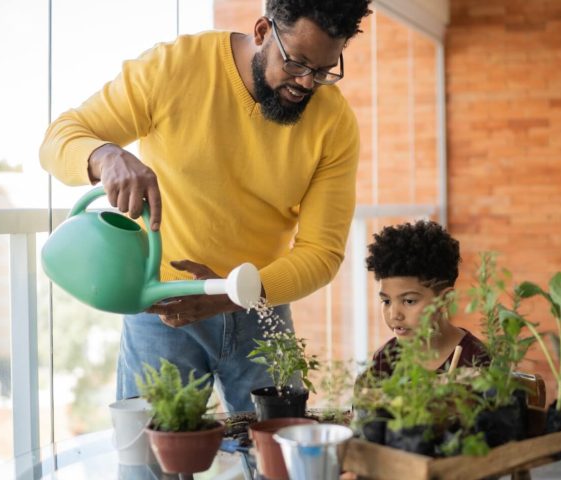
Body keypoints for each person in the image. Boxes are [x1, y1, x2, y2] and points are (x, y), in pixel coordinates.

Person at [39, 0, 372, 412]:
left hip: (260, 307)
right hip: (161, 306)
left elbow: (322, 253)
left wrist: (231, 295)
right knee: (151, 467)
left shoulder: (334, 122)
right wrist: (105, 156)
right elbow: (58, 139)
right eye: (297, 63)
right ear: (263, 32)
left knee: (277, 466)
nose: (306, 84)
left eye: (323, 71)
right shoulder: (175, 68)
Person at [363, 220, 490, 380]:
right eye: (387, 301)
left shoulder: (476, 360)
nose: (394, 315)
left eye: (409, 301)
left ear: (445, 299)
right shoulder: (384, 360)